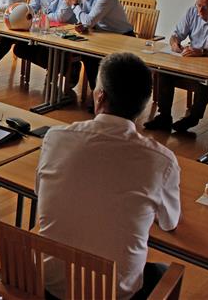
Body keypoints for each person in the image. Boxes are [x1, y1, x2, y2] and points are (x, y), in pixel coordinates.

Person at [36, 52, 180, 300]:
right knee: (162, 271)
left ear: (100, 95)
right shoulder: (161, 161)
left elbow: (40, 192)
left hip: (50, 286)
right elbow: (169, 222)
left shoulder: (56, 138)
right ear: (144, 104)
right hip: (112, 293)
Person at [145, 0, 208, 133]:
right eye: (198, 5)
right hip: (190, 60)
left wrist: (203, 51)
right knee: (164, 73)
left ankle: (193, 118)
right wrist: (175, 44)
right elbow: (176, 34)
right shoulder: (192, 12)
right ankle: (164, 117)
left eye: (205, 8)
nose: (200, 11)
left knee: (205, 81)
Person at [65, 0, 133, 107]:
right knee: (88, 56)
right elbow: (86, 21)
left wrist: (74, 5)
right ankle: (98, 94)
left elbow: (89, 20)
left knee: (100, 60)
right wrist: (82, 26)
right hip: (102, 35)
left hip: (122, 37)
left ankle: (106, 98)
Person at [13, 0, 81, 90]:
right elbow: (32, 7)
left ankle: (63, 67)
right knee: (20, 48)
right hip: (45, 29)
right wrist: (27, 13)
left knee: (47, 50)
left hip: (67, 31)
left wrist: (39, 17)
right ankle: (67, 67)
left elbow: (61, 17)